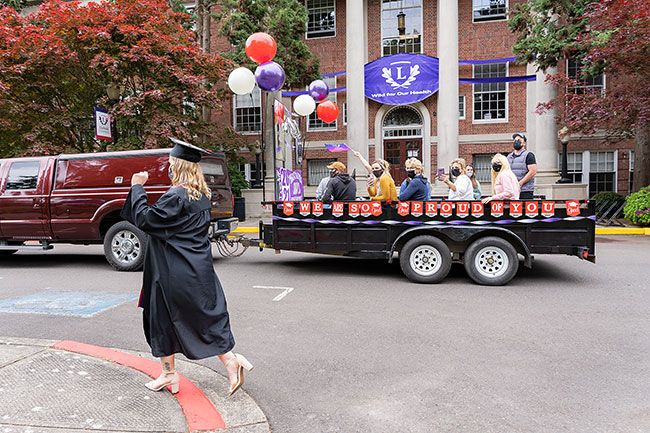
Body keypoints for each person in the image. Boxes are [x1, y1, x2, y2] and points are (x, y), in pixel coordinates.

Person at [121, 138, 252, 397]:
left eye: (170, 164)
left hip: (172, 271)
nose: (168, 168)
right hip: (196, 268)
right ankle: (225, 362)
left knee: (161, 320)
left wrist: (137, 187)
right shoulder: (202, 195)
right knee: (201, 317)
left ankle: (174, 373)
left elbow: (145, 220)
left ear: (178, 167)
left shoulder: (176, 196)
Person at [507, 133, 537, 200]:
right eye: (515, 140)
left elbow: (533, 171)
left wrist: (520, 183)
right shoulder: (509, 157)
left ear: (524, 143)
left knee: (525, 210)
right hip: (512, 191)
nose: (516, 142)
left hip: (525, 190)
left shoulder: (529, 155)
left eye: (519, 140)